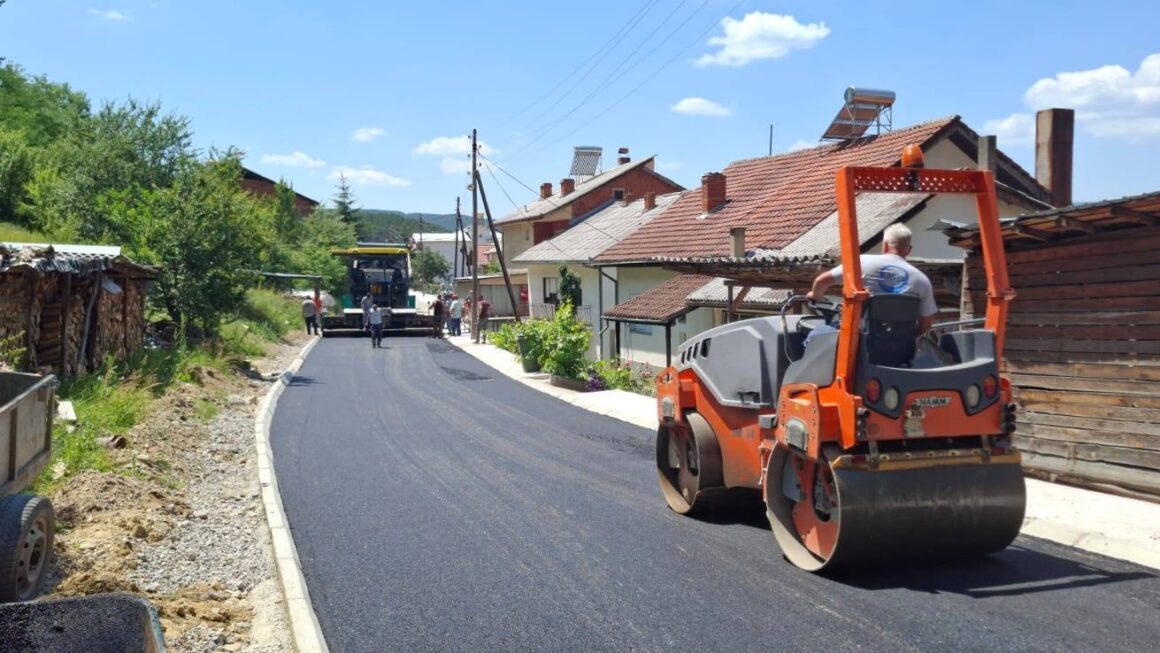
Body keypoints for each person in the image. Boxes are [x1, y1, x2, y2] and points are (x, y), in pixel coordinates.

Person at [805, 223, 937, 343]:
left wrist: (815, 294)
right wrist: (906, 338)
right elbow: (926, 323)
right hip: (899, 348)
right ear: (909, 249)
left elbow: (821, 281)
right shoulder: (922, 280)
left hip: (861, 342)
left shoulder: (861, 262)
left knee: (814, 336)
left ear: (885, 245)